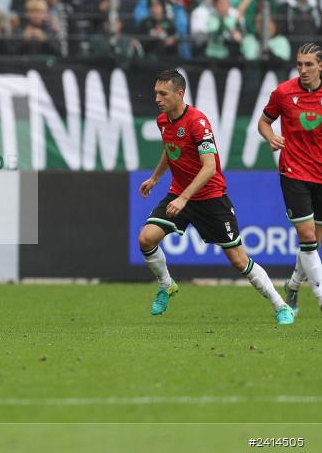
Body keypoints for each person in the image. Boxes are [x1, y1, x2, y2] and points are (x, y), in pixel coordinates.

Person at [137, 70, 294, 325]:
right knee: (146, 238)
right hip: (179, 194)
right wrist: (155, 178)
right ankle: (166, 285)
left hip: (210, 198)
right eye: (156, 92)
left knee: (238, 260)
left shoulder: (198, 122)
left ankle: (281, 305)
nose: (157, 98)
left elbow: (209, 167)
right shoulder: (163, 121)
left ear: (179, 94)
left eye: (163, 93)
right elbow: (170, 149)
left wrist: (184, 198)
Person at [258, 43, 322, 317]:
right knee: (306, 236)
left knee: (314, 242)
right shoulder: (283, 92)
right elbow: (263, 121)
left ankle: (293, 285)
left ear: (321, 66)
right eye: (300, 64)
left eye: (309, 64)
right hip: (293, 172)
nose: (303, 69)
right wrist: (270, 136)